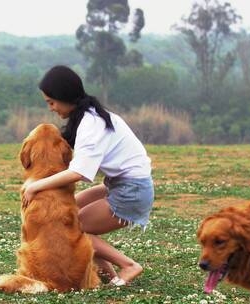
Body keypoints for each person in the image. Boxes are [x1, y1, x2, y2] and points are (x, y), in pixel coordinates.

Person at [22, 65, 154, 286]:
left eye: (51, 102)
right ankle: (110, 276)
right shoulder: (88, 116)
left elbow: (80, 173)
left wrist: (36, 186)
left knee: (72, 228)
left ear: (64, 97)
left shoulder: (91, 125)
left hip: (131, 192)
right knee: (68, 211)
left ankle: (129, 266)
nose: (51, 108)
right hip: (122, 185)